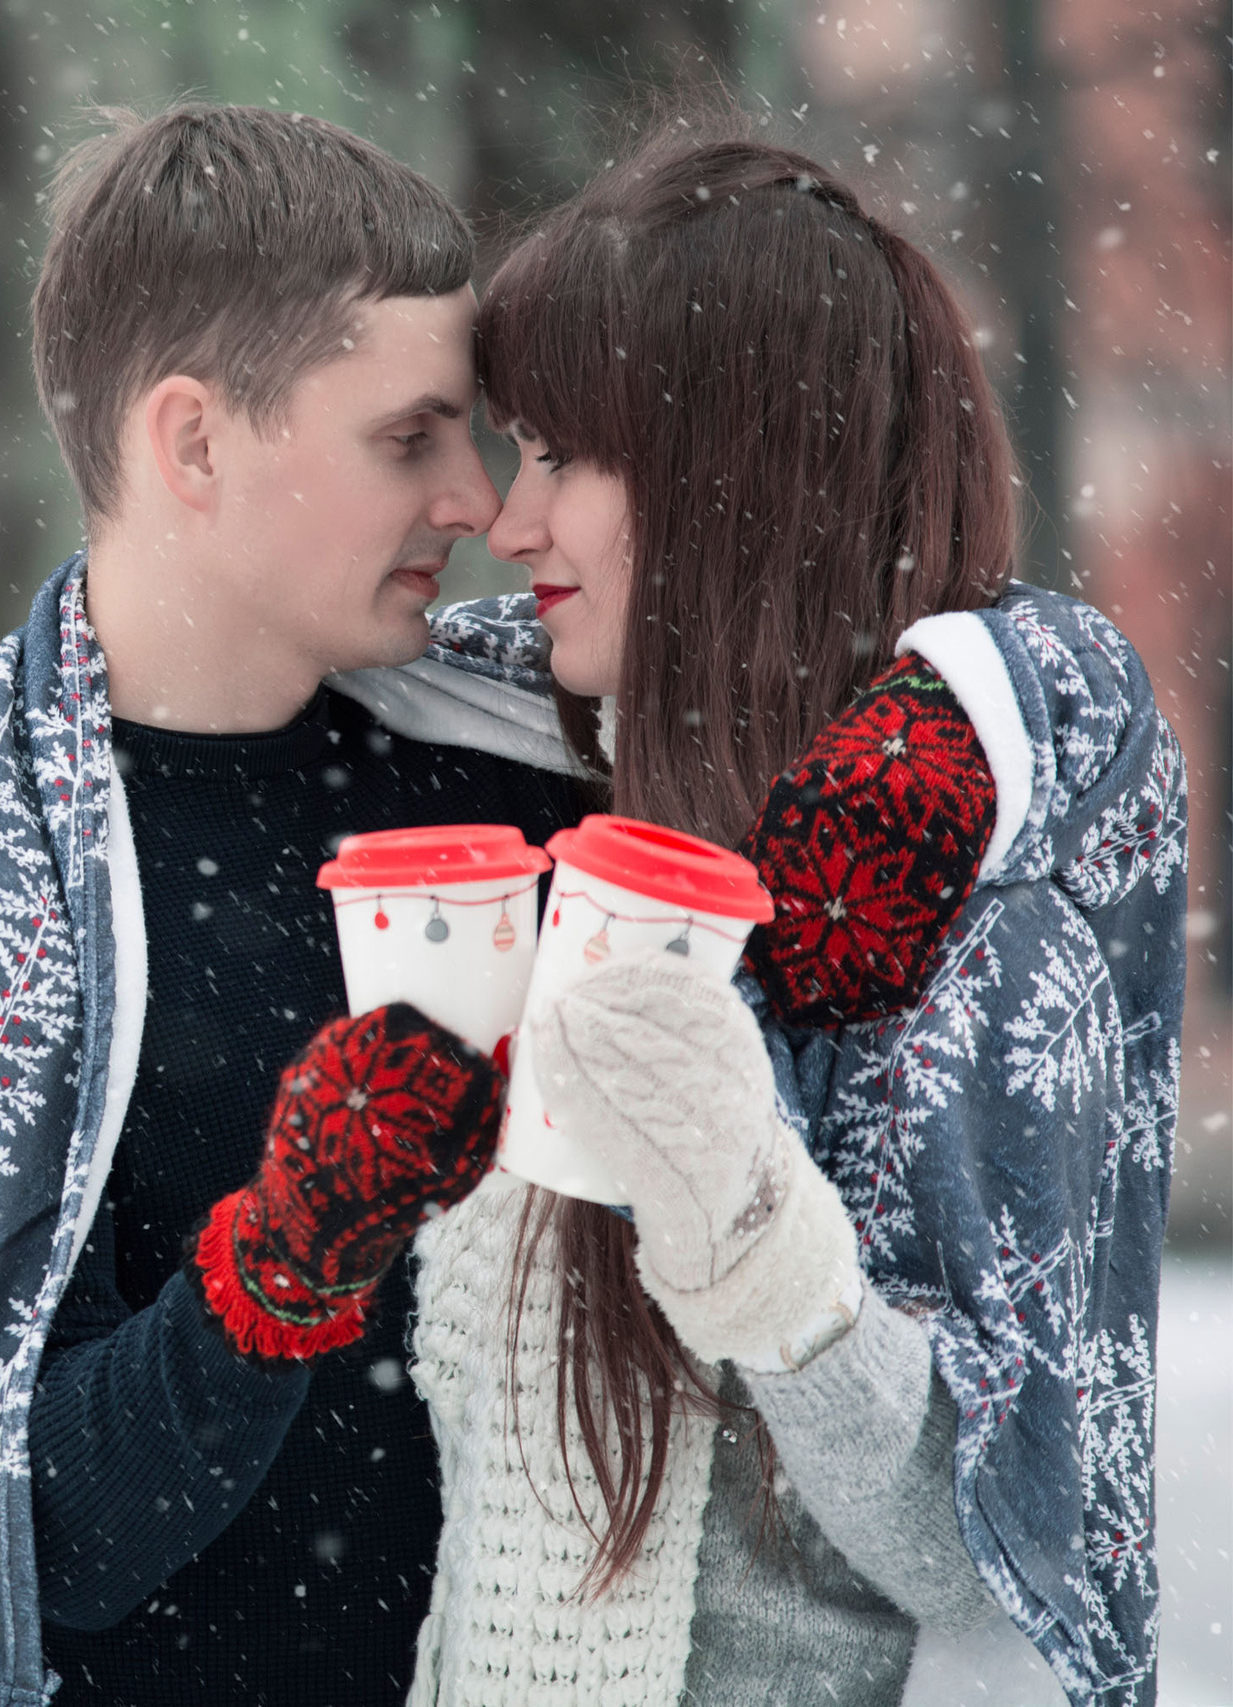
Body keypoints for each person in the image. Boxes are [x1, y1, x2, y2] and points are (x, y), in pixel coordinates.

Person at [0, 105, 591, 1707]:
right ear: (195, 443)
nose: (476, 498)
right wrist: (280, 1268)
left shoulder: (548, 777)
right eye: (408, 436)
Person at [398, 123, 1187, 1707]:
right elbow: (292, 646)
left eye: (562, 454)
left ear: (727, 477)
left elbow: (1010, 1550)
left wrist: (767, 1247)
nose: (510, 518)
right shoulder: (566, 776)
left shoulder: (982, 951)